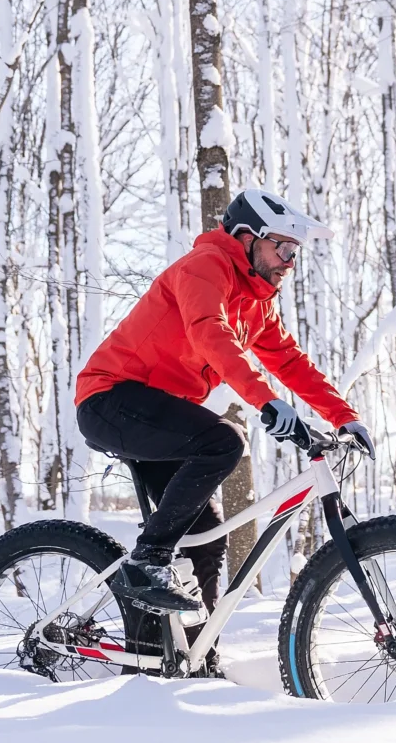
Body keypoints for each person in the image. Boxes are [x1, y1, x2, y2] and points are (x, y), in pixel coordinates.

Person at [74, 187, 373, 614]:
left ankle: (195, 653)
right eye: (283, 247)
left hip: (159, 415)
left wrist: (345, 418)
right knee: (224, 441)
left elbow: (289, 361)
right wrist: (267, 403)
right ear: (248, 238)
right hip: (111, 398)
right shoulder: (205, 267)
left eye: (295, 252)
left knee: (208, 533)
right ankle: (147, 561)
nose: (290, 261)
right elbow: (209, 332)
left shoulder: (256, 304)